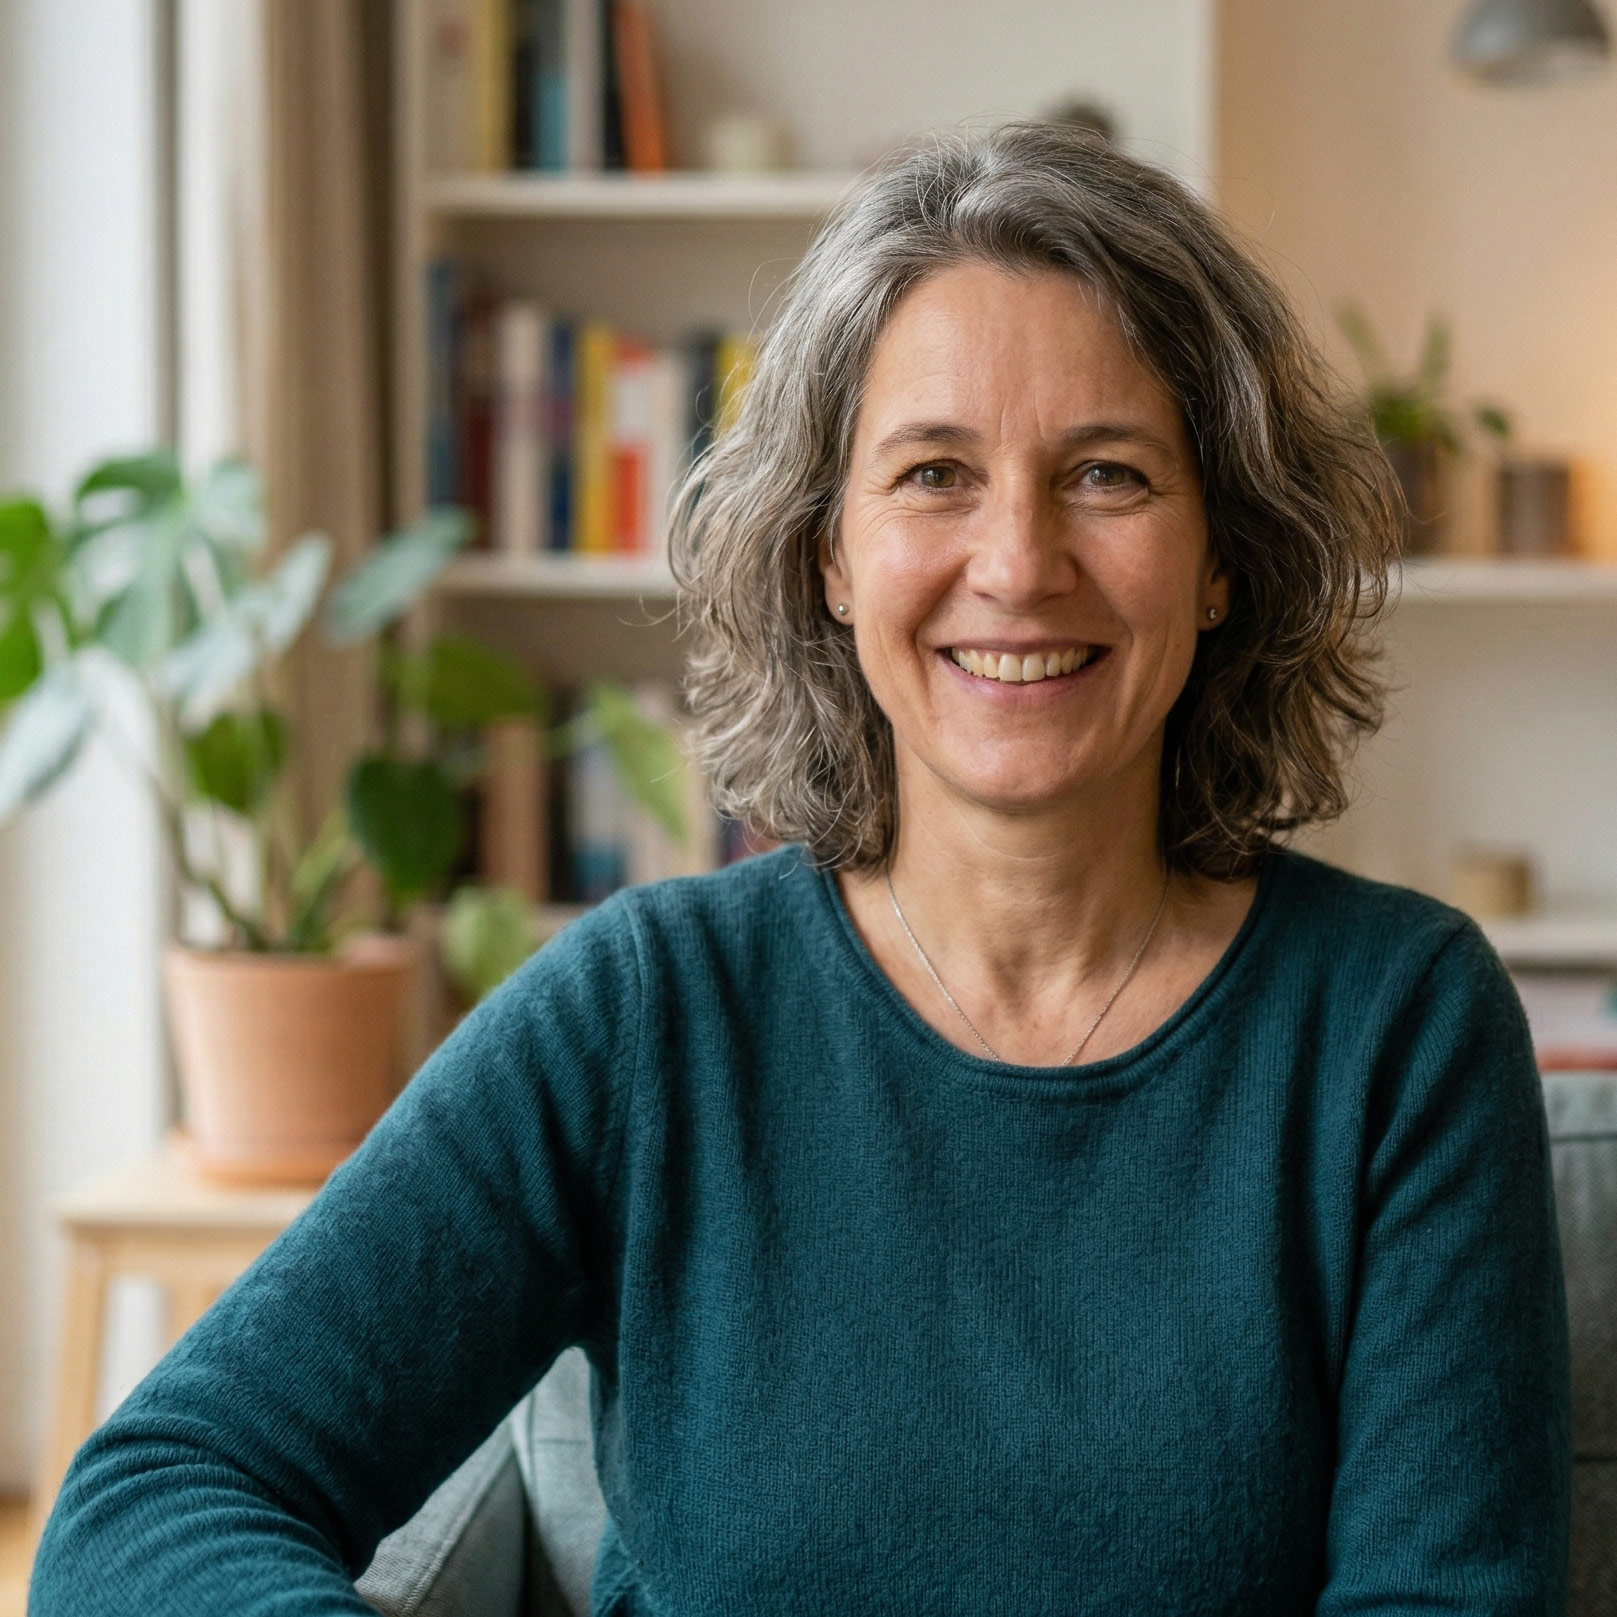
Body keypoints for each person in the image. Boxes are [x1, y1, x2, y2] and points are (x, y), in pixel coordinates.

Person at [32, 122, 1570, 1616]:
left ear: (1223, 553)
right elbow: (155, 1491)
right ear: (828, 555)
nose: (1019, 561)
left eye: (1106, 474)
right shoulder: (642, 1013)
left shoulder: (1395, 1025)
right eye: (930, 474)